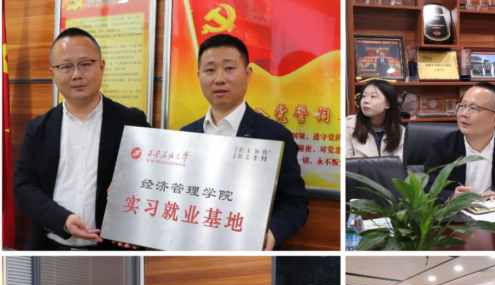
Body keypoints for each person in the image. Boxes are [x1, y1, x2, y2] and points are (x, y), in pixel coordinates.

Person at [13, 28, 150, 251]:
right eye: (66, 66)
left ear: (101, 66)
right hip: (51, 247)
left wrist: (137, 225)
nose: (76, 74)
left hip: (112, 250)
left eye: (85, 64)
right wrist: (63, 220)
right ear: (53, 73)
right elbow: (23, 187)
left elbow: (153, 180)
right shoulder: (38, 128)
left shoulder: (132, 121)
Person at [180, 34, 308, 251]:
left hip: (246, 251)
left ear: (248, 74)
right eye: (210, 70)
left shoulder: (275, 136)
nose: (219, 79)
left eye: (229, 68)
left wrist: (273, 231)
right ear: (199, 75)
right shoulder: (185, 135)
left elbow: (295, 203)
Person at [346, 80, 404, 159]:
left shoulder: (401, 131)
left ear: (387, 104)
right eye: (364, 96)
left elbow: (400, 164)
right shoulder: (348, 126)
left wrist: (364, 163)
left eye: (373, 96)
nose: (365, 101)